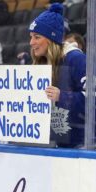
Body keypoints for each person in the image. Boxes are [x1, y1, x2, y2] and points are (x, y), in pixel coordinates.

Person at [28, 3, 86, 147]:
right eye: (31, 37)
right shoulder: (41, 62)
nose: (31, 42)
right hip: (50, 143)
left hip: (79, 147)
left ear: (51, 38)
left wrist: (62, 96)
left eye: (37, 37)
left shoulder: (76, 59)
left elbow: (93, 98)